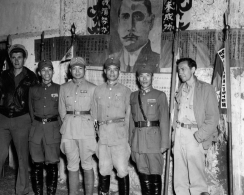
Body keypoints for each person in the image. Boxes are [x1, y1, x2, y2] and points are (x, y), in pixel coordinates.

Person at [0, 44, 37, 195]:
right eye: (14, 58)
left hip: (22, 119)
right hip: (2, 119)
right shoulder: (3, 75)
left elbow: (33, 100)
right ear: (10, 59)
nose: (16, 61)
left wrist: (33, 121)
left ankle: (22, 191)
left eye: (19, 58)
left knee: (22, 158)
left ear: (24, 59)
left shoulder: (31, 77)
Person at [173, 58, 219, 195]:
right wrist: (174, 134)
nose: (180, 73)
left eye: (183, 69)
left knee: (197, 180)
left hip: (195, 134)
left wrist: (199, 136)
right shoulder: (180, 89)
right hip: (179, 133)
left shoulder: (206, 89)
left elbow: (213, 118)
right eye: (178, 70)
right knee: (179, 178)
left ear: (193, 70)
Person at [92, 57, 131, 195]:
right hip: (103, 136)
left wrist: (126, 137)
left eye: (115, 70)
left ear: (119, 72)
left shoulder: (126, 91)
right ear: (104, 71)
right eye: (109, 70)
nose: (112, 73)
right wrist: (97, 134)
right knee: (103, 168)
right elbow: (94, 115)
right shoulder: (97, 90)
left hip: (119, 136)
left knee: (122, 169)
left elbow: (128, 116)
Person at [58, 57, 97, 195]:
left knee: (87, 165)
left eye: (80, 68)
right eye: (74, 68)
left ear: (84, 70)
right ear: (70, 70)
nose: (77, 71)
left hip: (86, 131)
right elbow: (62, 110)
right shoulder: (63, 88)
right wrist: (68, 122)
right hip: (68, 131)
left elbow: (95, 112)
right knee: (72, 165)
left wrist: (95, 132)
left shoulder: (93, 88)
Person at [129, 65, 169, 195]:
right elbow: (131, 121)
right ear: (137, 78)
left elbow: (164, 120)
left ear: (152, 77)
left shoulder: (160, 95)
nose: (144, 79)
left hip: (154, 141)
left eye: (147, 75)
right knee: (143, 174)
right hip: (138, 141)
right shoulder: (133, 96)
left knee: (155, 173)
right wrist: (130, 142)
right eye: (141, 76)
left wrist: (164, 144)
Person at [29, 60, 61, 195]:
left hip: (53, 130)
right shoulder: (32, 89)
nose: (46, 73)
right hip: (36, 130)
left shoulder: (59, 89)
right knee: (37, 164)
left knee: (52, 164)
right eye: (43, 70)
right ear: (39, 72)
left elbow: (61, 111)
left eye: (49, 70)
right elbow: (30, 110)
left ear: (53, 71)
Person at [110, 0, 160, 73]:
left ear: (151, 22)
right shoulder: (112, 58)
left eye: (138, 17)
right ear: (119, 21)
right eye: (125, 17)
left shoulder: (158, 60)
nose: (130, 27)